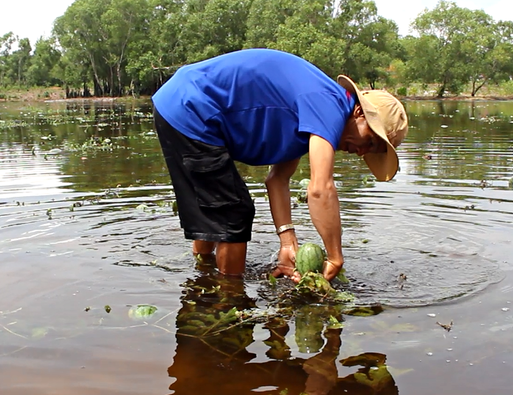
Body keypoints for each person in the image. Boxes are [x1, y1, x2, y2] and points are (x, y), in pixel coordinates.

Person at [152, 48, 408, 282]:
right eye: (371, 141)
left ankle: (203, 278)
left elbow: (278, 179)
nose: (362, 152)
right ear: (359, 114)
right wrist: (335, 256)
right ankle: (229, 295)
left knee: (216, 212)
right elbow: (320, 189)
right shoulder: (329, 105)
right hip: (193, 107)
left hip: (181, 103)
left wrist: (287, 243)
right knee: (233, 212)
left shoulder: (313, 111)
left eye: (371, 151)